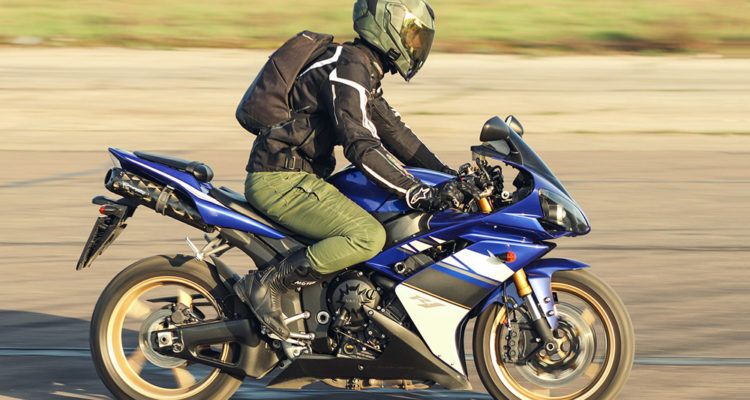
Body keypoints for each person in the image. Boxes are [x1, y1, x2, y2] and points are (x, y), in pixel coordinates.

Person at [234, 0, 474, 340]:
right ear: (387, 27)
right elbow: (360, 144)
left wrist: (449, 178)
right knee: (367, 236)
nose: (416, 46)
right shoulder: (348, 68)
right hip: (281, 181)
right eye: (412, 35)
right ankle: (269, 284)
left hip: (300, 179)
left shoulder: (359, 68)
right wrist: (415, 191)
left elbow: (395, 134)